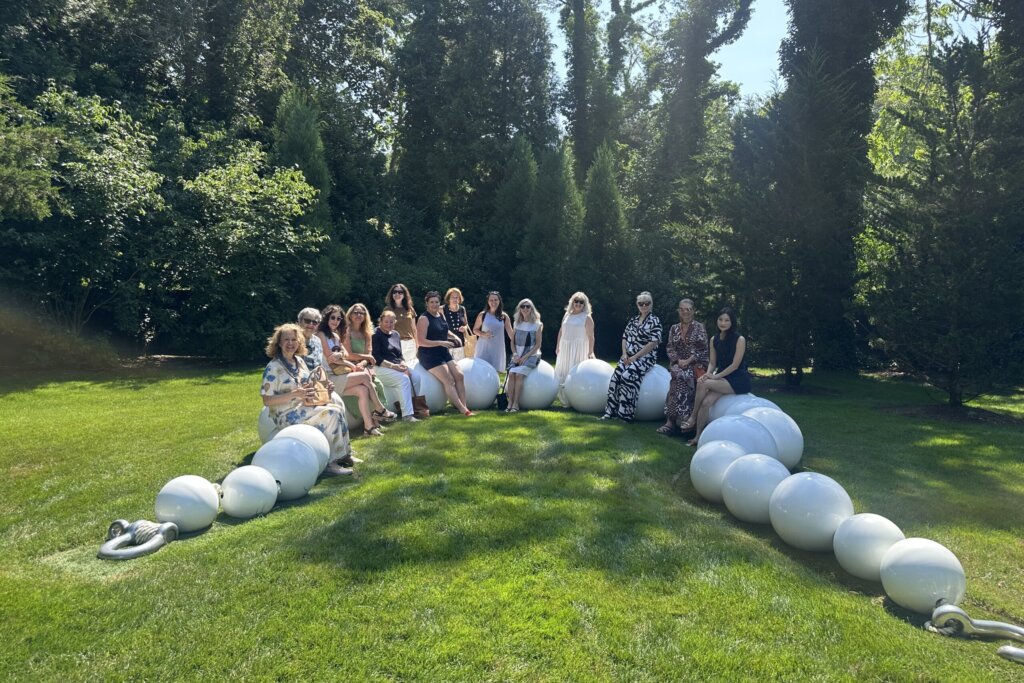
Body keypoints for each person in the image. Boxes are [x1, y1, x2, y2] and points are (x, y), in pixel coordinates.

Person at [261, 323, 353, 475]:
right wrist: (295, 394)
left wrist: (325, 387)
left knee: (337, 408)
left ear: (299, 342)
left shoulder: (299, 361)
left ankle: (344, 454)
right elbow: (267, 400)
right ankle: (330, 463)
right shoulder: (273, 367)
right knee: (332, 413)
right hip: (286, 415)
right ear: (279, 343)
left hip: (304, 407)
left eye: (294, 339)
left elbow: (308, 385)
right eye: (286, 340)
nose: (290, 343)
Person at [316, 304, 397, 437]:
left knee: (363, 390)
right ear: (326, 318)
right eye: (333, 317)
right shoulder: (320, 334)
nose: (336, 321)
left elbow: (344, 354)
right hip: (328, 378)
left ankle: (369, 427)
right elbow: (331, 358)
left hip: (339, 374)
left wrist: (342, 357)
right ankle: (380, 409)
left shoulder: (335, 336)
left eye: (338, 318)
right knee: (365, 377)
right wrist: (349, 363)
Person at [683, 306, 752, 445]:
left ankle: (692, 417)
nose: (723, 323)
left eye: (727, 320)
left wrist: (714, 377)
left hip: (738, 379)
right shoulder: (714, 339)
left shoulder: (740, 339)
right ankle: (698, 437)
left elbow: (735, 365)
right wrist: (708, 374)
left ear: (732, 322)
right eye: (720, 319)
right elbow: (713, 362)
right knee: (706, 402)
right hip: (722, 378)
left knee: (702, 383)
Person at [602, 291, 663, 422]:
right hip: (627, 356)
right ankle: (610, 412)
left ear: (651, 304)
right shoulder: (633, 320)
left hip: (645, 358)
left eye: (647, 303)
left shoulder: (655, 321)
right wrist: (624, 354)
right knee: (615, 378)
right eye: (641, 303)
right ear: (637, 305)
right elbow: (625, 337)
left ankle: (626, 415)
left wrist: (635, 357)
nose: (644, 306)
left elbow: (653, 343)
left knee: (627, 376)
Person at [417, 290, 474, 416]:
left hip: (443, 351)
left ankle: (464, 405)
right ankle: (463, 410)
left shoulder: (440, 315)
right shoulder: (424, 318)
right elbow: (420, 341)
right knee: (449, 380)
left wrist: (454, 336)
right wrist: (441, 342)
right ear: (427, 303)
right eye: (431, 302)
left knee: (459, 375)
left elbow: (444, 330)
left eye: (437, 302)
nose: (434, 304)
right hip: (429, 354)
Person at [658, 298, 709, 435]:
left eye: (688, 309)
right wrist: (678, 360)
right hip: (678, 363)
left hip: (696, 364)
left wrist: (688, 360)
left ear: (693, 311)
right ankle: (673, 420)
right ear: (678, 311)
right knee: (677, 375)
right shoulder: (674, 328)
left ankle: (682, 420)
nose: (685, 312)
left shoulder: (699, 327)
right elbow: (670, 347)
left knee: (682, 376)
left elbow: (703, 349)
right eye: (682, 309)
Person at [372, 310, 419, 422]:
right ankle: (407, 416)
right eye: (386, 322)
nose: (389, 324)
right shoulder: (375, 334)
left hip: (397, 366)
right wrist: (394, 367)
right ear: (380, 321)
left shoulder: (396, 334)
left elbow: (399, 355)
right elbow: (376, 358)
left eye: (391, 322)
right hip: (380, 367)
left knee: (416, 377)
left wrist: (403, 364)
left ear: (395, 322)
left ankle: (411, 407)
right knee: (404, 379)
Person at [554, 291, 595, 405]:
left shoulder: (587, 318)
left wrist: (590, 351)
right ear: (572, 302)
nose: (578, 304)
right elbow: (561, 331)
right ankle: (564, 400)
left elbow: (591, 336)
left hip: (579, 349)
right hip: (565, 348)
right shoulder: (567, 315)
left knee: (575, 374)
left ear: (584, 304)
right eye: (576, 301)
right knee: (562, 372)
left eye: (581, 302)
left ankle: (576, 399)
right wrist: (558, 345)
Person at [344, 302, 388, 405]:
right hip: (349, 365)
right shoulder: (346, 331)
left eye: (361, 313)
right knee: (365, 388)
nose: (359, 315)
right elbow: (348, 355)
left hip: (363, 366)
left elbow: (369, 353)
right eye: (355, 312)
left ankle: (380, 412)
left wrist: (363, 363)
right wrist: (367, 357)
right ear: (350, 315)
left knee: (378, 385)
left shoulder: (367, 332)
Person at [506, 299, 543, 413]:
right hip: (517, 356)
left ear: (532, 309)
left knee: (519, 375)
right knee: (511, 374)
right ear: (520, 309)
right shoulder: (516, 323)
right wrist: (515, 355)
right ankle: (509, 403)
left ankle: (516, 404)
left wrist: (525, 357)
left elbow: (538, 345)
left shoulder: (537, 325)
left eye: (528, 306)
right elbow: (512, 342)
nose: (525, 309)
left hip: (531, 356)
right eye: (523, 306)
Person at [472, 291, 513, 372]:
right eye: (491, 300)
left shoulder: (504, 317)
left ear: (499, 301)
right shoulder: (482, 315)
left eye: (495, 300)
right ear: (488, 302)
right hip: (483, 348)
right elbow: (475, 330)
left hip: (497, 349)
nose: (493, 302)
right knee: (481, 371)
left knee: (495, 373)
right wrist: (483, 334)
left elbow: (511, 335)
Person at [383, 283, 418, 362]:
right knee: (399, 366)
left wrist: (417, 345)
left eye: (400, 292)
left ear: (404, 294)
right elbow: (383, 329)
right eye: (395, 292)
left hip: (410, 343)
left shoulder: (410, 309)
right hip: (394, 343)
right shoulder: (387, 309)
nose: (397, 294)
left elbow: (414, 329)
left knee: (410, 366)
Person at [443, 287, 471, 361]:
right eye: (452, 297)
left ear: (459, 299)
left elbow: (466, 324)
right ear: (448, 298)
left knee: (460, 364)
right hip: (447, 343)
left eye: (457, 297)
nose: (455, 299)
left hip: (460, 343)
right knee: (448, 365)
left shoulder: (462, 309)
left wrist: (464, 328)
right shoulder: (442, 309)